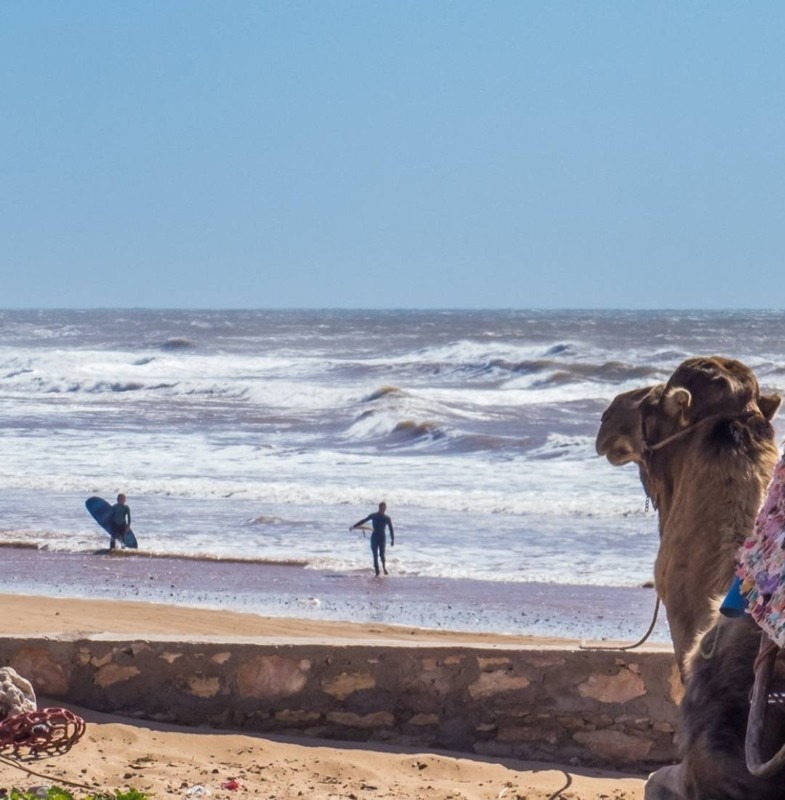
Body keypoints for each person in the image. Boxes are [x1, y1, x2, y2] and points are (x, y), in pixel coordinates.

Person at [350, 501, 394, 576]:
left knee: (382, 555)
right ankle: (377, 571)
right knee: (375, 555)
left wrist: (393, 539)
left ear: (385, 509)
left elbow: (391, 529)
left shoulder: (387, 518)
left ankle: (384, 567)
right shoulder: (373, 516)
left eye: (384, 508)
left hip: (382, 538)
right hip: (374, 537)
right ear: (379, 508)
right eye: (382, 508)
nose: (383, 509)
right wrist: (355, 526)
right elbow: (363, 521)